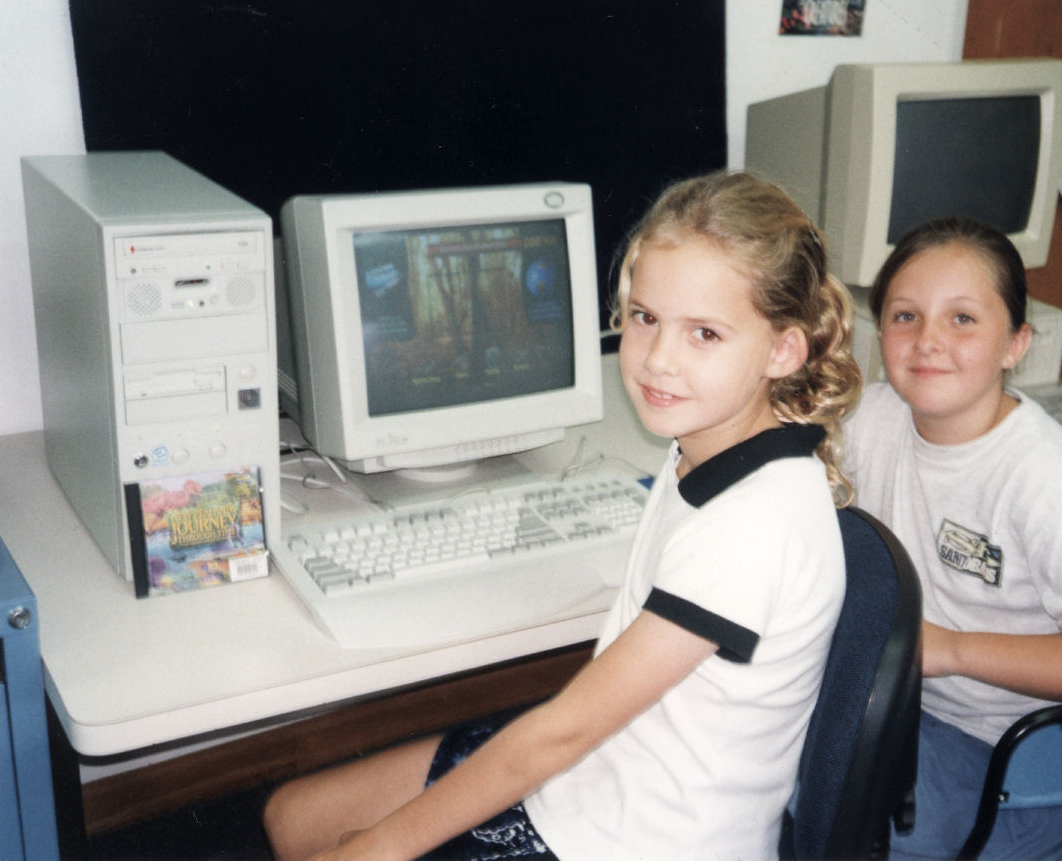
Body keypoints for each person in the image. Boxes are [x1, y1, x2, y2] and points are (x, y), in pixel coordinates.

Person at [262, 171, 863, 861]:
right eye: (645, 318)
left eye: (704, 333)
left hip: (641, 838)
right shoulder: (706, 439)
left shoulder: (754, 525)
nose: (658, 360)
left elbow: (563, 733)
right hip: (602, 768)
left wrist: (380, 849)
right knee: (295, 816)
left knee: (353, 843)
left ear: (783, 350)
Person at [841, 216, 1062, 861]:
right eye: (906, 316)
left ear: (1015, 344)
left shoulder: (1050, 480)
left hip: (1014, 753)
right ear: (879, 332)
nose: (928, 341)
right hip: (905, 701)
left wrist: (951, 649)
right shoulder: (873, 416)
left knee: (824, 808)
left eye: (963, 319)